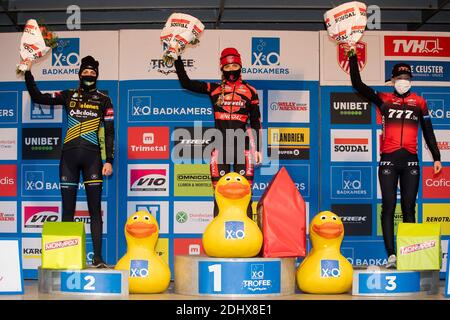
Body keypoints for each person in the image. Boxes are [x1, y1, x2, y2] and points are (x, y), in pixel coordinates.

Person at [347, 47, 442, 269]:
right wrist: (352, 56)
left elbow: (428, 130)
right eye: (399, 78)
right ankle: (391, 255)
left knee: (409, 207)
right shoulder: (384, 99)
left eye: (407, 78)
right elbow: (357, 85)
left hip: (410, 161)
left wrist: (436, 157)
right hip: (388, 159)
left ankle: (409, 254)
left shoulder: (419, 102)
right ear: (392, 80)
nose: (403, 81)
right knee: (388, 206)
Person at [24, 56, 115, 268]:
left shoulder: (104, 100)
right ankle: (65, 256)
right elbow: (38, 98)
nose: (89, 76)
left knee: (95, 210)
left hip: (93, 158)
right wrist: (28, 71)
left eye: (93, 73)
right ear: (80, 74)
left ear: (97, 76)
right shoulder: (67, 95)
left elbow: (109, 132)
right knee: (67, 209)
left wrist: (109, 160)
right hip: (69, 158)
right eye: (86, 72)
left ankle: (98, 258)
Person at [174, 48, 263, 218]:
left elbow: (256, 121)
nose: (231, 71)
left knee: (244, 194)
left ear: (240, 66)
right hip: (219, 146)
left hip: (241, 148)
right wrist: (177, 58)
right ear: (222, 68)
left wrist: (257, 148)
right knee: (220, 194)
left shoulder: (251, 91)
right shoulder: (213, 89)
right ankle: (219, 237)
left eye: (235, 66)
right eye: (227, 67)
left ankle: (248, 239)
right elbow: (186, 83)